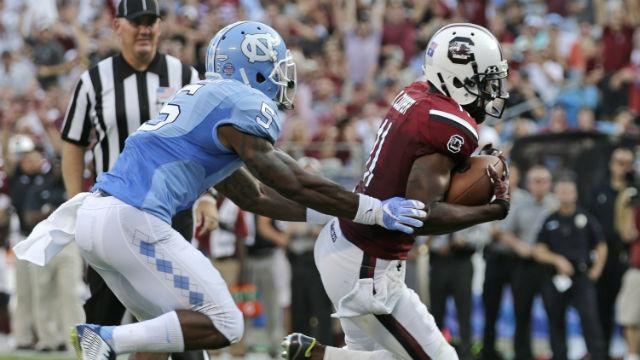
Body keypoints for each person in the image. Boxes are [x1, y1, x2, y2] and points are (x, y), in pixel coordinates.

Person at [14, 20, 426, 360]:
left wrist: (334, 211)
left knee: (187, 340)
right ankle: (105, 338)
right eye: (274, 67)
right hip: (131, 218)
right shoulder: (239, 101)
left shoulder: (204, 102)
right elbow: (289, 180)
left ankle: (109, 342)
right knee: (226, 323)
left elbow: (255, 198)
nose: (281, 79)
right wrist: (369, 209)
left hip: (99, 219)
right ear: (250, 68)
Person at [282, 22, 511, 360]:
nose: (491, 91)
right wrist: (492, 210)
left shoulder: (419, 92)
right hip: (367, 264)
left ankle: (314, 355)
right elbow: (421, 216)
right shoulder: (448, 125)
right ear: (458, 78)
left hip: (348, 246)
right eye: (483, 81)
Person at [60, 1, 218, 359]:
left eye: (151, 22)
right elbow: (72, 144)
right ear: (118, 26)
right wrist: (75, 202)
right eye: (137, 22)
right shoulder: (94, 81)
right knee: (105, 315)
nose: (145, 29)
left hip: (171, 215)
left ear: (161, 27)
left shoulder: (185, 77)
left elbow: (205, 141)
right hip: (110, 216)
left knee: (178, 311)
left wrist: (207, 195)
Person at [533, 177, 607, 360]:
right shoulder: (550, 220)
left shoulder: (585, 218)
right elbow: (539, 251)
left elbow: (601, 245)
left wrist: (596, 270)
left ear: (575, 194)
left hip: (582, 276)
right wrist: (557, 259)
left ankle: (598, 355)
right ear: (556, 194)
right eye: (562, 191)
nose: (566, 195)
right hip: (556, 277)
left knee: (590, 320)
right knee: (556, 321)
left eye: (569, 192)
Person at [497, 165, 557, 360]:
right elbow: (503, 232)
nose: (540, 185)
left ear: (550, 183)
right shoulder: (519, 204)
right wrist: (518, 245)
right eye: (536, 181)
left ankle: (559, 353)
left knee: (555, 313)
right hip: (524, 265)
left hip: (549, 266)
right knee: (521, 314)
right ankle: (522, 355)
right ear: (529, 184)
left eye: (544, 181)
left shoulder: (556, 205)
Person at [588, 147, 636, 357]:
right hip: (603, 258)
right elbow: (590, 224)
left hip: (630, 259)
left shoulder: (636, 192)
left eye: (627, 162)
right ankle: (602, 353)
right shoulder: (598, 189)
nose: (622, 166)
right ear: (611, 163)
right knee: (602, 309)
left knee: (632, 313)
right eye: (619, 161)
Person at [428, 223, 492, 360]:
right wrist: (434, 244)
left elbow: (484, 235)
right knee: (436, 312)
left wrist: (466, 240)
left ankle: (466, 354)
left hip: (462, 261)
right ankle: (433, 353)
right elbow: (422, 238)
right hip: (438, 262)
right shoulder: (433, 205)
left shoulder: (470, 207)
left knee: (464, 311)